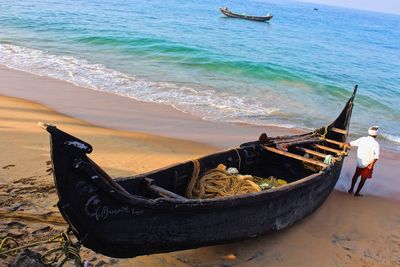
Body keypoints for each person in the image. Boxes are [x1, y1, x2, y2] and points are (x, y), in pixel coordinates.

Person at [347, 126, 380, 197]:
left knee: (356, 175)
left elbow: (350, 143)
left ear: (368, 133)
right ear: (376, 135)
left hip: (360, 162)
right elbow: (376, 157)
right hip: (368, 164)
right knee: (363, 179)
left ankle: (351, 189)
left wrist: (345, 144)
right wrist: (372, 165)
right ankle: (357, 193)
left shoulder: (362, 139)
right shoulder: (376, 144)